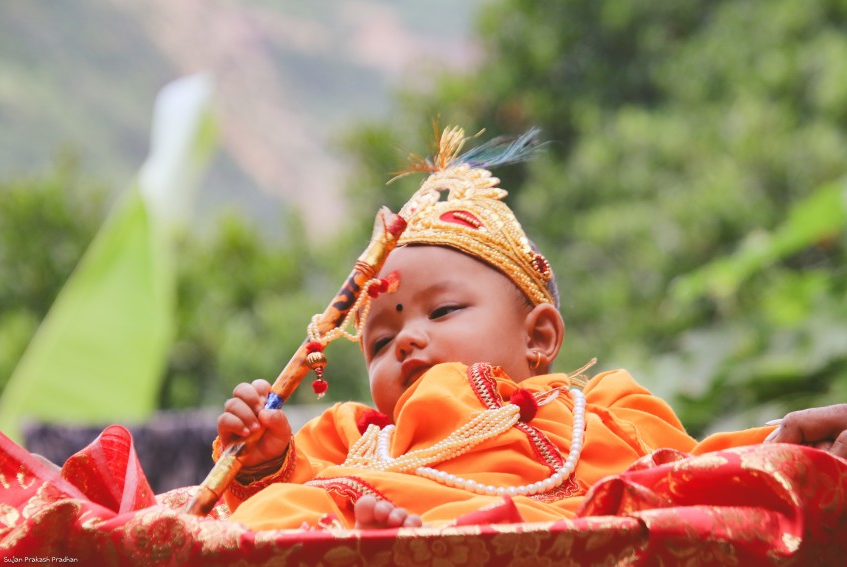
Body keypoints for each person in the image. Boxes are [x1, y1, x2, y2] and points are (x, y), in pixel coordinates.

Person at [216, 126, 847, 531]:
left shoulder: (594, 409)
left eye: (443, 312)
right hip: (370, 516)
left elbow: (677, 468)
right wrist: (264, 460)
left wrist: (779, 446)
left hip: (534, 529)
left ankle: (431, 541)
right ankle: (402, 542)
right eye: (380, 340)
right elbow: (278, 498)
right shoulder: (356, 434)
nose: (406, 339)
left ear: (538, 337)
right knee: (280, 508)